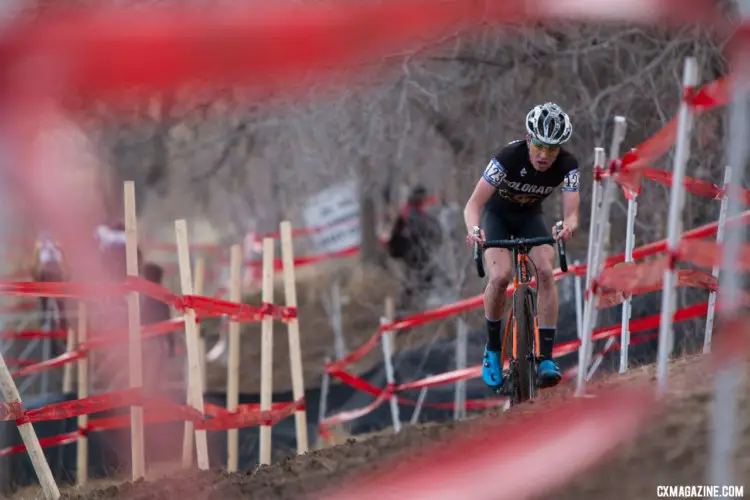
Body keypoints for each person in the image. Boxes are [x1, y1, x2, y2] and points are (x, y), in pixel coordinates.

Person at [463, 102, 579, 391]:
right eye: (539, 145)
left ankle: (546, 359)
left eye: (551, 149)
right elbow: (473, 204)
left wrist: (568, 225)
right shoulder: (508, 157)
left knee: (546, 272)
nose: (543, 155)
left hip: (531, 219)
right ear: (529, 139)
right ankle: (492, 351)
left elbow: (572, 213)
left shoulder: (568, 165)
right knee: (501, 276)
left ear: (560, 150)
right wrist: (474, 231)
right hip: (497, 217)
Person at [386, 185, 444, 311]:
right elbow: (418, 232)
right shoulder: (412, 213)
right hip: (413, 253)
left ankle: (408, 308)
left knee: (419, 280)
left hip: (414, 253)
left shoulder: (413, 212)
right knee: (417, 280)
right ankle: (405, 310)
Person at [31, 230, 70, 333]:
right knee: (55, 302)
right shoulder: (49, 246)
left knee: (53, 302)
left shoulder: (48, 246)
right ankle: (58, 326)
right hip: (50, 273)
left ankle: (52, 325)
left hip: (50, 273)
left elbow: (35, 265)